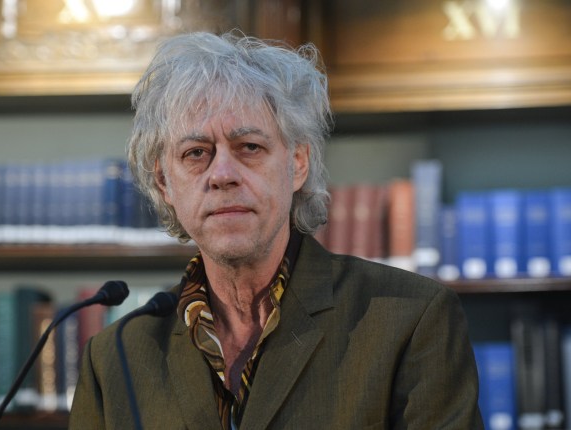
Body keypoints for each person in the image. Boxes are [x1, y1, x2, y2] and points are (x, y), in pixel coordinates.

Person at [69, 31, 483, 429]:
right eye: (196, 153)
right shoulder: (116, 356)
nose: (223, 175)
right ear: (164, 183)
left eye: (250, 147)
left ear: (298, 163)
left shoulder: (411, 317)